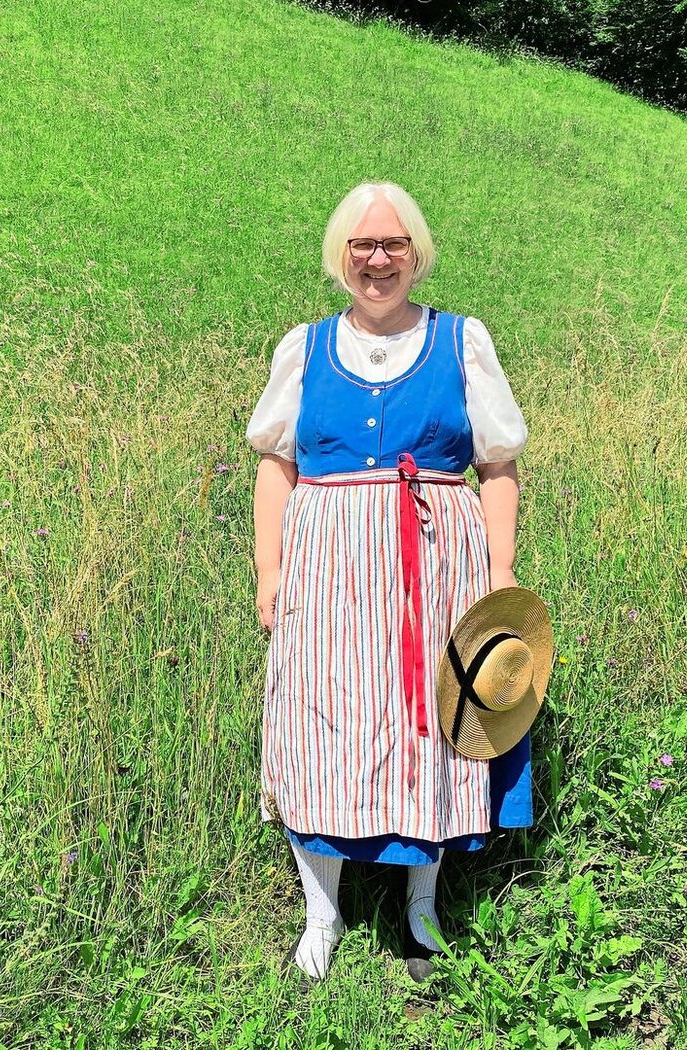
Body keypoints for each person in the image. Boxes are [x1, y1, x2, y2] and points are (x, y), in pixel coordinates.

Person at [246, 181, 532, 981]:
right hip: (327, 572)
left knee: (432, 721)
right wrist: (270, 571)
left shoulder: (461, 340)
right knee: (325, 722)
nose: (379, 258)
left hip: (437, 566)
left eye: (394, 244)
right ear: (341, 257)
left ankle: (419, 909)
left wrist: (499, 575)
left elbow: (499, 465)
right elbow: (276, 466)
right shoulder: (302, 349)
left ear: (417, 255)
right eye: (364, 245)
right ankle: (324, 914)